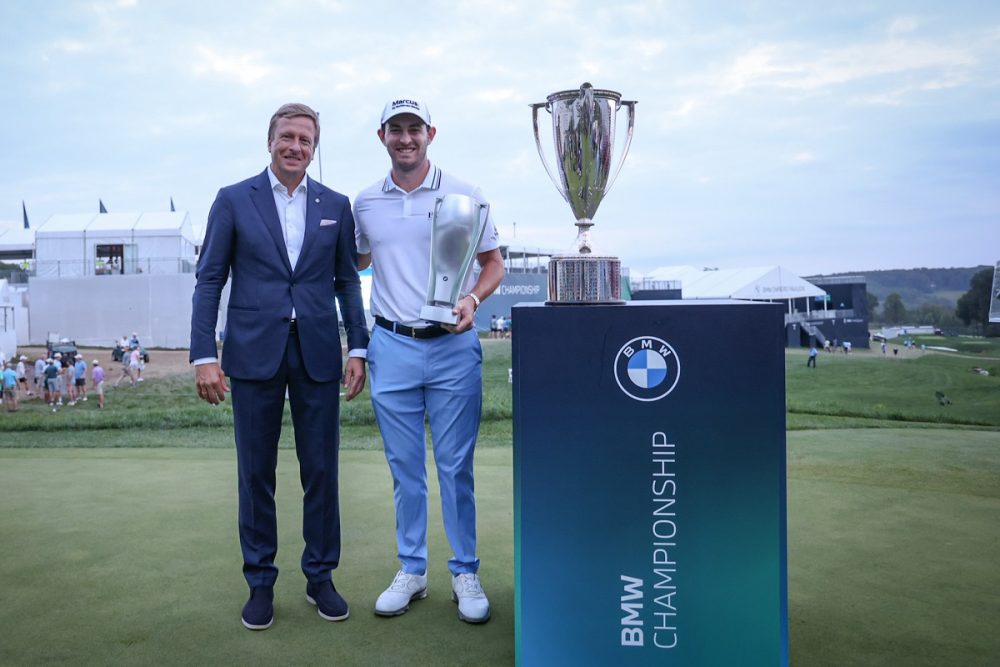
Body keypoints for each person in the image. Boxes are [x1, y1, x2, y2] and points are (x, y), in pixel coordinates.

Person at [190, 102, 369, 631]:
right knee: (255, 474)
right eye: (287, 137)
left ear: (315, 148)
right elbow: (208, 280)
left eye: (306, 140)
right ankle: (260, 583)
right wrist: (205, 354)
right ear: (270, 141)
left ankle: (320, 578)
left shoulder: (335, 204)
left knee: (321, 471)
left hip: (316, 351)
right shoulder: (232, 200)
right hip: (251, 353)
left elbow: (346, 283)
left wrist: (357, 347)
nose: (296, 147)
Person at [354, 97, 504, 624]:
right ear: (382, 137)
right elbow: (358, 261)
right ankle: (412, 570)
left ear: (430, 133)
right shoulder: (365, 203)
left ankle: (465, 571)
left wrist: (473, 299)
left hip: (451, 346)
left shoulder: (466, 192)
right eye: (395, 129)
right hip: (390, 345)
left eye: (414, 129)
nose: (405, 138)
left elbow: (492, 264)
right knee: (405, 470)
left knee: (455, 466)